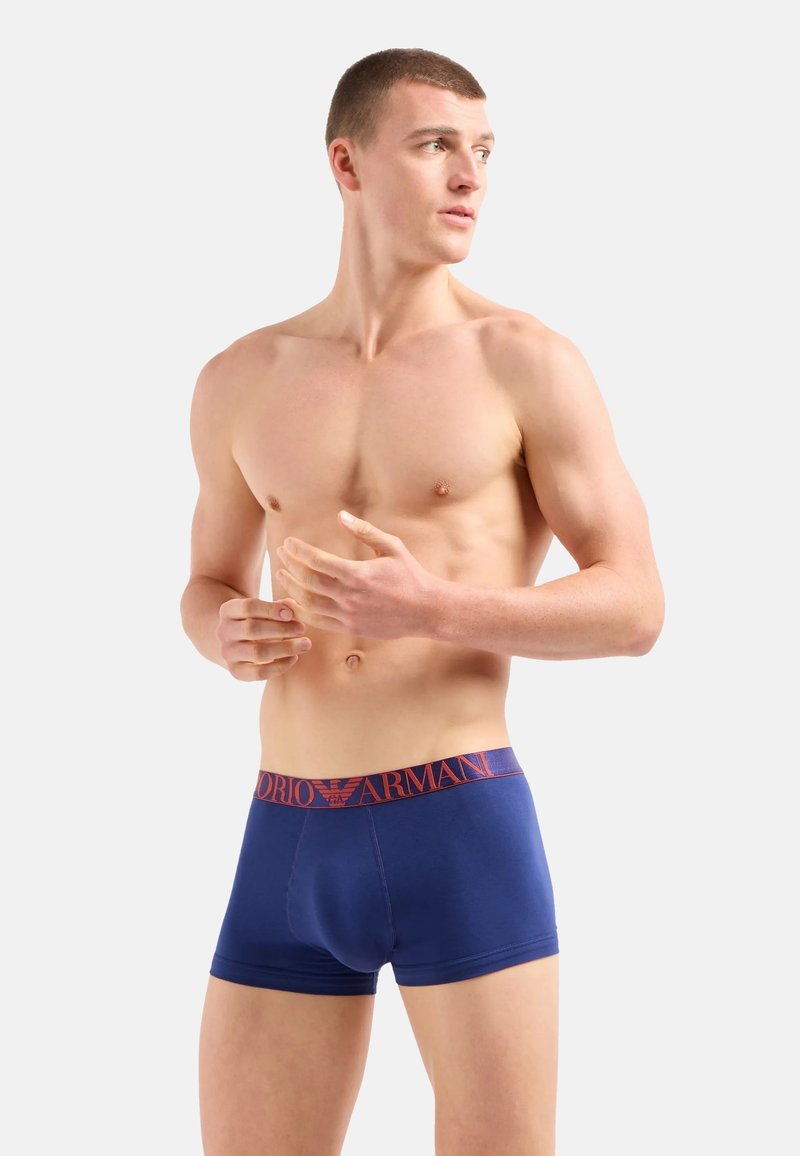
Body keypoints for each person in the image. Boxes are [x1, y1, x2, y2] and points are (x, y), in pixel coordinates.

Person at [180, 46, 665, 1156]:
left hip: (456, 825)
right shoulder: (241, 378)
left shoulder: (522, 361)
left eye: (484, 151)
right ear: (346, 164)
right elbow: (205, 581)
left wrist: (435, 607)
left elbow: (636, 604)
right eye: (436, 145)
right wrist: (220, 629)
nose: (469, 176)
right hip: (285, 831)